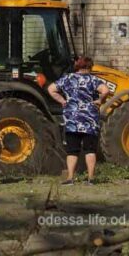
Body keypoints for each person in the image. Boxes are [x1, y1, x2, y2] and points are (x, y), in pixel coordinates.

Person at [48, 56, 109, 186]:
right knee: (90, 150)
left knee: (72, 150)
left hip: (72, 120)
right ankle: (91, 179)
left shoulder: (67, 79)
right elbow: (106, 90)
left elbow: (51, 89)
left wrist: (63, 101)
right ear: (89, 66)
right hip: (90, 120)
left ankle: (70, 178)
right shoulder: (93, 80)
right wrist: (100, 100)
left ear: (77, 66)